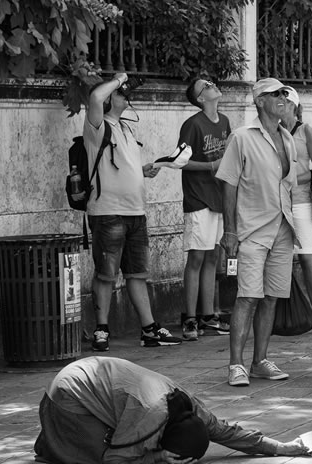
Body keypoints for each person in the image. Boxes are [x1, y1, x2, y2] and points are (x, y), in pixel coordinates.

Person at [34, 357, 312, 464]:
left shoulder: (187, 404)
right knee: (99, 456)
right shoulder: (149, 416)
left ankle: (58, 438)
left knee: (113, 439)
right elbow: (115, 458)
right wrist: (155, 456)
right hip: (67, 394)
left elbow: (225, 431)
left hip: (83, 376)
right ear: (160, 437)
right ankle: (57, 439)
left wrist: (281, 448)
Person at [84, 72, 182, 351]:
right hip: (108, 211)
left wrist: (143, 171)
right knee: (106, 273)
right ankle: (101, 329)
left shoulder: (126, 129)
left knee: (137, 274)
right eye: (121, 93)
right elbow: (94, 96)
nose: (126, 95)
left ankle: (149, 330)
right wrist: (118, 79)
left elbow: (122, 168)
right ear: (108, 99)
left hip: (135, 212)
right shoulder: (97, 126)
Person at [217, 78, 299, 387]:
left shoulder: (288, 138)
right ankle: (236, 364)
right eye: (273, 94)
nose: (281, 97)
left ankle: (260, 360)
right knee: (248, 297)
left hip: (282, 227)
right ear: (259, 102)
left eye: (283, 93)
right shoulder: (241, 137)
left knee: (272, 298)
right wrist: (229, 230)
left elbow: (288, 186)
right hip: (251, 229)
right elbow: (228, 183)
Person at [177, 78, 232, 342]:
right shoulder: (192, 125)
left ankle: (209, 315)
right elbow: (180, 162)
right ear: (200, 98)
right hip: (199, 198)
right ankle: (189, 317)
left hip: (219, 197)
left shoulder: (224, 122)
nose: (212, 85)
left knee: (213, 258)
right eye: (206, 85)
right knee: (197, 258)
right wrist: (210, 166)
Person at [277, 88, 312, 335]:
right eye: (279, 99)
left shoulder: (305, 130)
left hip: (300, 201)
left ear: (295, 105)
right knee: (279, 258)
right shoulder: (273, 132)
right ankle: (281, 316)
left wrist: (289, 179)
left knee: (306, 256)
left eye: (286, 100)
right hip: (277, 201)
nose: (282, 103)